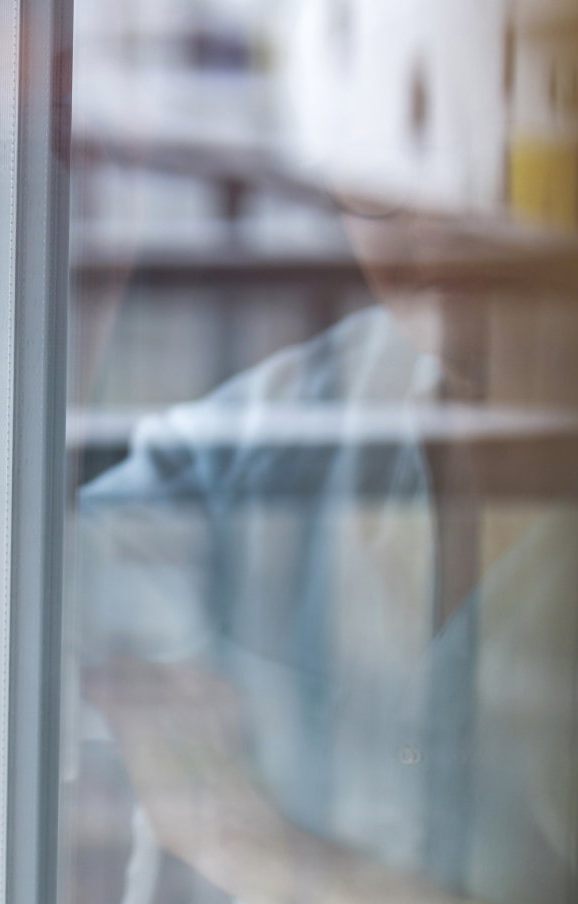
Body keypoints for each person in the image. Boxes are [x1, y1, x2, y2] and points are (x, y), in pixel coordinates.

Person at [74, 192, 578, 902]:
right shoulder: (312, 406)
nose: (431, 223)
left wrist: (262, 856)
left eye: (478, 173)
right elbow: (46, 562)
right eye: (373, 191)